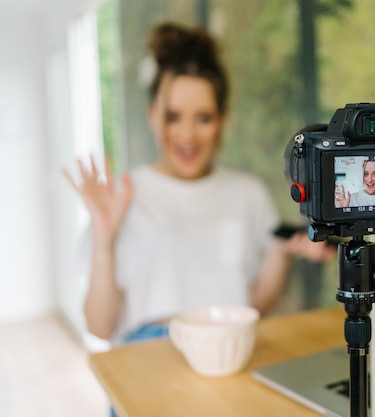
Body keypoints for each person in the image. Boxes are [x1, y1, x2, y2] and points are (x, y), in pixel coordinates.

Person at [64, 22, 333, 346]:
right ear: (152, 114)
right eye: (173, 117)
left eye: (203, 118)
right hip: (145, 358)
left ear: (223, 118)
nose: (187, 135)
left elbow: (256, 307)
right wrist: (103, 237)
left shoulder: (248, 193)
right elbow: (99, 326)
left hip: (228, 350)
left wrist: (282, 251)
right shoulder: (123, 198)